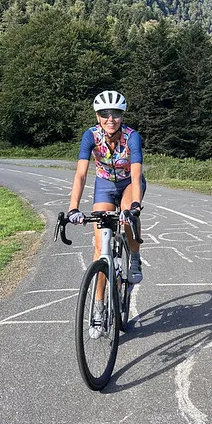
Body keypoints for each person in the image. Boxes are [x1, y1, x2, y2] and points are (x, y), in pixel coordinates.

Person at [67, 90, 146, 290]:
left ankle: (134, 256)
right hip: (104, 184)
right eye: (105, 114)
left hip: (128, 182)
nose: (110, 119)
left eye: (116, 114)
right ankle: (99, 309)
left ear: (122, 116)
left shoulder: (132, 137)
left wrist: (136, 205)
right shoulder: (90, 136)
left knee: (128, 211)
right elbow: (81, 175)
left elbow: (136, 175)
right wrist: (73, 208)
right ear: (97, 116)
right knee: (100, 248)